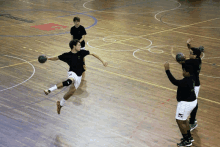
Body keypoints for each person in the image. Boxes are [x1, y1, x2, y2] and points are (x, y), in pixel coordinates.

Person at [43, 39, 108, 114]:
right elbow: (56, 58)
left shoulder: (81, 52)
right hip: (72, 73)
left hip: (79, 76)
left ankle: (60, 104)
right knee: (68, 82)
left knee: (71, 93)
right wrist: (47, 58)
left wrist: (102, 61)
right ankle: (49, 90)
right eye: (79, 45)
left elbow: (93, 53)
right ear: (74, 46)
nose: (80, 46)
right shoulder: (67, 55)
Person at [164, 61, 197, 147]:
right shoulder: (193, 77)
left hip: (185, 104)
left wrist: (167, 70)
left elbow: (174, 81)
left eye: (184, 71)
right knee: (184, 119)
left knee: (179, 120)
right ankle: (189, 137)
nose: (183, 72)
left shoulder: (184, 82)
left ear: (188, 72)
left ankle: (186, 140)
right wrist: (183, 62)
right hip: (193, 101)